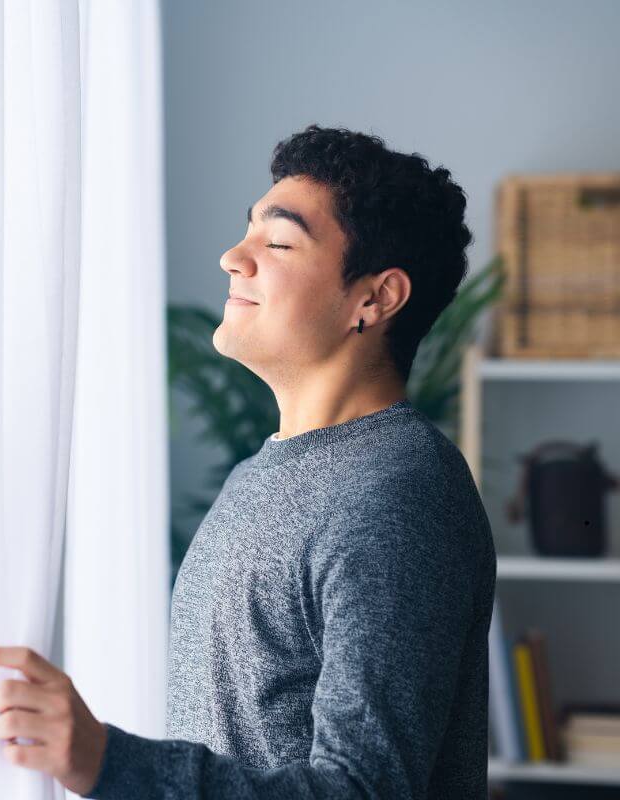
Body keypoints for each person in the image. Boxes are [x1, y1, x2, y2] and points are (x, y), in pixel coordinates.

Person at [86, 124, 496, 797]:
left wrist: (106, 762)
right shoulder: (259, 476)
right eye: (248, 231)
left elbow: (363, 789)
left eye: (277, 242)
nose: (232, 257)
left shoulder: (396, 494)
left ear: (375, 298)